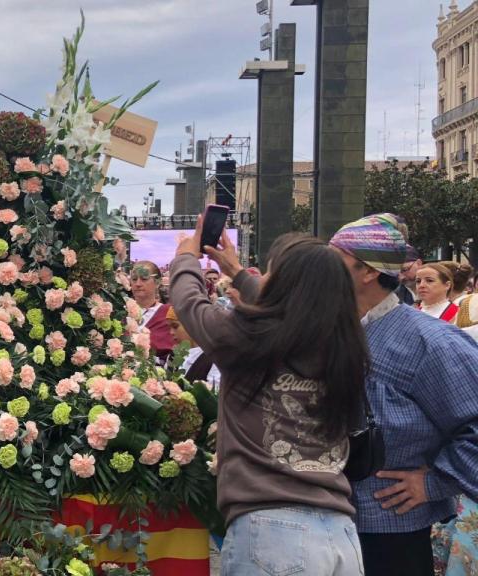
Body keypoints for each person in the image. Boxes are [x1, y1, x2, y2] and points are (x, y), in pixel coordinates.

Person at [171, 221, 370, 576]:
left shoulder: (246, 339)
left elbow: (188, 301)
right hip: (340, 533)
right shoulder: (346, 347)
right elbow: (293, 309)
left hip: (271, 530)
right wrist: (236, 272)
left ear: (282, 286)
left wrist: (186, 256)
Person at [323, 214, 478, 576]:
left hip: (392, 529)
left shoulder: (431, 341)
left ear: (368, 272)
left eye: (334, 261)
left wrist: (434, 482)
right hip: (332, 519)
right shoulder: (338, 327)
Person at [164, 306, 221, 390]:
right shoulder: (173, 355)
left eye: (175, 326)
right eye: (169, 327)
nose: (171, 332)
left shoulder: (215, 358)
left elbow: (214, 396)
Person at [129, 260, 175, 361]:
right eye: (134, 279)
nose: (138, 284)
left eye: (144, 279)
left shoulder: (169, 313)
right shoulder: (118, 313)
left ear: (157, 282)